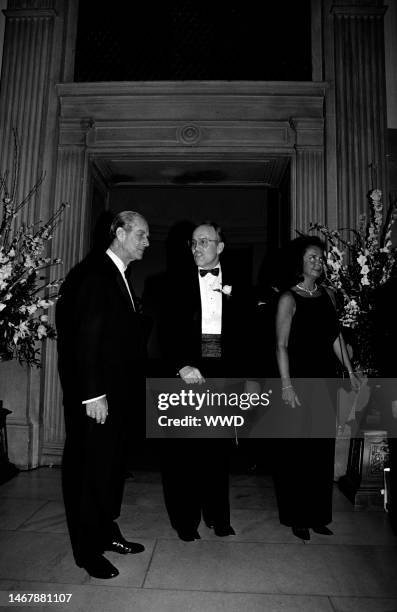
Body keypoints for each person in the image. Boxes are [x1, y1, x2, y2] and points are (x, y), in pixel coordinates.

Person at [56, 211, 149, 578]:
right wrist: (93, 394)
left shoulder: (118, 275)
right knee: (88, 471)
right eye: (140, 234)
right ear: (119, 233)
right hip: (96, 397)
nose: (146, 241)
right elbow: (84, 339)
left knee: (109, 469)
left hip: (116, 394)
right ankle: (87, 550)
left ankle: (106, 532)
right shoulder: (95, 273)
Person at [161, 221, 257, 541]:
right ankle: (185, 522)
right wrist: (181, 366)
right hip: (188, 371)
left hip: (223, 372)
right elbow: (164, 333)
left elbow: (248, 335)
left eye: (204, 241)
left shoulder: (240, 284)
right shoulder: (173, 282)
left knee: (218, 450)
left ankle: (219, 517)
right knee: (185, 452)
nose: (197, 247)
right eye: (193, 242)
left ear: (220, 246)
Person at [273, 235, 360, 541]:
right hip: (297, 382)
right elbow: (281, 345)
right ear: (300, 262)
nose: (318, 262)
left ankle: (318, 515)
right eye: (312, 257)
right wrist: (286, 385)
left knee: (321, 450)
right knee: (298, 453)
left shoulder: (329, 296)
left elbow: (335, 337)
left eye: (321, 258)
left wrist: (349, 371)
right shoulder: (288, 298)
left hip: (323, 380)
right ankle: (297, 517)